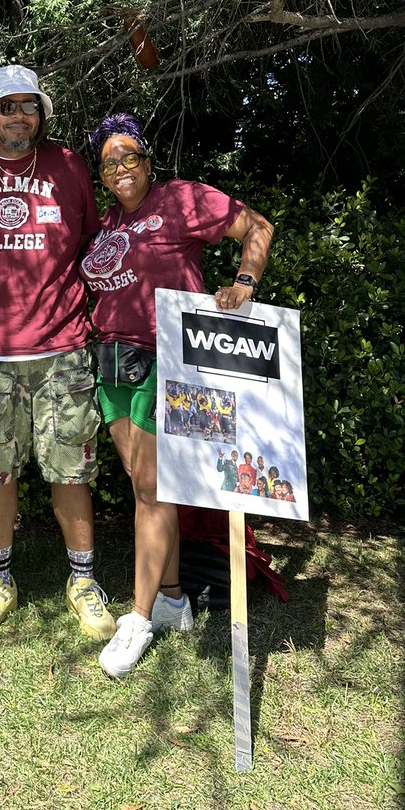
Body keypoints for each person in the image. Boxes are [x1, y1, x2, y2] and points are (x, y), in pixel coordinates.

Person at [80, 111, 274, 678]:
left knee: (153, 491)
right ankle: (171, 600)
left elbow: (258, 226)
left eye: (129, 156)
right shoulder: (111, 221)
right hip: (115, 362)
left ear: (147, 158)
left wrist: (244, 282)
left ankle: (137, 619)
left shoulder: (181, 198)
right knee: (147, 487)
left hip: (171, 359)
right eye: (109, 162)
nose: (120, 168)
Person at [0, 65, 114, 643]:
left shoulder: (69, 167)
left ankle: (85, 584)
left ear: (41, 114)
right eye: (6, 106)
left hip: (61, 344)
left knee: (71, 467)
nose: (19, 116)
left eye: (28, 105)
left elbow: (93, 245)